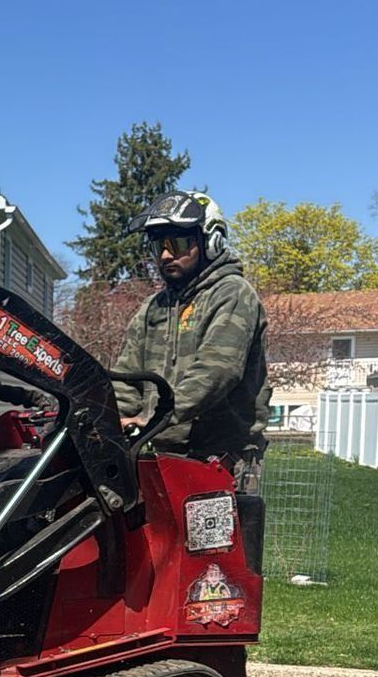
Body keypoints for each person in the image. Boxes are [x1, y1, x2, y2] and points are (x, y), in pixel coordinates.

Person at [114, 190, 272, 497]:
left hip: (223, 460)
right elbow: (125, 376)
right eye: (158, 245)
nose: (165, 255)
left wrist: (154, 417)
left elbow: (218, 370)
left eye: (178, 243)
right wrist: (111, 420)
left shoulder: (232, 293)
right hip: (162, 457)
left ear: (210, 241)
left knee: (216, 546)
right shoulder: (152, 308)